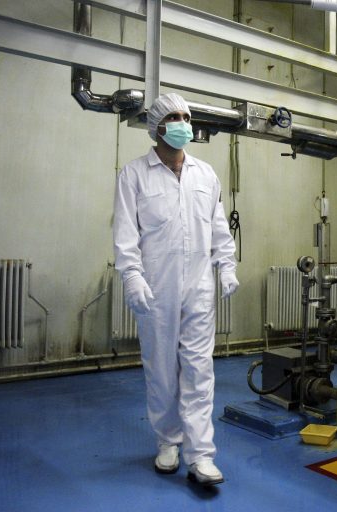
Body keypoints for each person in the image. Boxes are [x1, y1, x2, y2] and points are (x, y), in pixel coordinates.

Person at [113, 93, 239, 486]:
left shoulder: (206, 174)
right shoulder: (134, 175)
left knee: (200, 371)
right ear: (156, 126)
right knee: (161, 369)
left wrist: (227, 265)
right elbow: (125, 234)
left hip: (199, 287)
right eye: (175, 116)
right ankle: (168, 442)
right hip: (157, 288)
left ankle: (201, 455)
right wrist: (132, 276)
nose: (184, 122)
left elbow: (219, 225)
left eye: (187, 115)